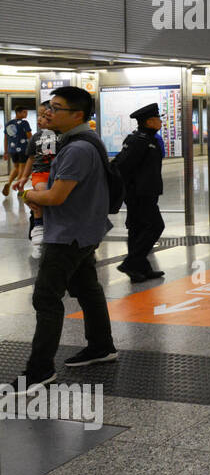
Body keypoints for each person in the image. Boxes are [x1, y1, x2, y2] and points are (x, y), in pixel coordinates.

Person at [10, 87, 117, 395]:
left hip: (68, 233)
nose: (48, 113)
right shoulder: (82, 142)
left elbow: (56, 196)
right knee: (87, 288)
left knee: (45, 298)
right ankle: (101, 346)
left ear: (77, 115)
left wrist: (27, 194)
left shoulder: (76, 149)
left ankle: (40, 370)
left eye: (56, 108)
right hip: (84, 229)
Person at [112, 103, 166, 282]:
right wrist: (130, 190)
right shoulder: (138, 141)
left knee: (137, 229)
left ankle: (141, 269)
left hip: (147, 191)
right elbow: (123, 166)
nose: (160, 121)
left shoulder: (149, 139)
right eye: (158, 119)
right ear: (149, 122)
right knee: (155, 226)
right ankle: (131, 262)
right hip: (138, 193)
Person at [10, 102, 58, 259]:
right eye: (39, 115)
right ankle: (38, 237)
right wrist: (24, 177)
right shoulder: (38, 137)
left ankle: (44, 236)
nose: (40, 119)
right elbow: (31, 158)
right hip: (40, 174)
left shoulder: (61, 135)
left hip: (57, 175)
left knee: (46, 203)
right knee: (40, 200)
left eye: (44, 115)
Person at [3, 103, 32, 196]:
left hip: (12, 150)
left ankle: (9, 182)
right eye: (24, 112)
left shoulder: (8, 123)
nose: (26, 114)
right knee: (22, 169)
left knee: (16, 167)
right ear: (18, 113)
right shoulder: (24, 123)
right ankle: (20, 188)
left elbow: (6, 138)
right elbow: (29, 136)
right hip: (23, 149)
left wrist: (6, 151)